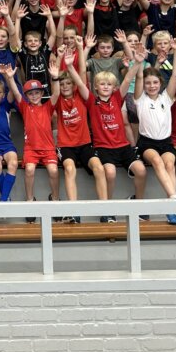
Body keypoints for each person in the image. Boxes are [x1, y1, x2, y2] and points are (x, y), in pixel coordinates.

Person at [84, 47, 147, 223]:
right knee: (109, 172)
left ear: (114, 88)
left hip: (122, 146)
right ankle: (108, 208)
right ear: (96, 87)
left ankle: (138, 204)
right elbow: (81, 84)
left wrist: (138, 62)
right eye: (102, 84)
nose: (105, 87)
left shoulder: (117, 98)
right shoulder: (91, 101)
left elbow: (127, 78)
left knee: (141, 170)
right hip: (103, 148)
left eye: (109, 84)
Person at [0, 57, 61, 224]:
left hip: (48, 148)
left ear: (41, 93)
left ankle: (55, 199)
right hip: (31, 149)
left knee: (54, 171)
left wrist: (55, 77)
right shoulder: (25, 107)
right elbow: (17, 93)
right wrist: (10, 78)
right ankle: (29, 200)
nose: (34, 96)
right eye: (31, 94)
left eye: (37, 93)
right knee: (29, 170)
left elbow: (56, 93)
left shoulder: (48, 107)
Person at [133, 38, 176, 225]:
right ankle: (174, 202)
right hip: (147, 143)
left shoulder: (167, 96)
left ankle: (172, 210)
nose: (151, 86)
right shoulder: (140, 99)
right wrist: (139, 61)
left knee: (169, 164)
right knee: (157, 161)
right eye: (148, 83)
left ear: (160, 83)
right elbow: (139, 77)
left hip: (166, 142)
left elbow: (174, 75)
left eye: (155, 82)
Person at [58, 47, 107, 223]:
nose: (65, 87)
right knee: (70, 169)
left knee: (99, 168)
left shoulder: (82, 97)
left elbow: (81, 81)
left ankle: (105, 209)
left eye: (68, 84)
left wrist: (73, 63)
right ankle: (73, 211)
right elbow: (55, 82)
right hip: (66, 146)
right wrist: (59, 63)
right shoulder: (57, 101)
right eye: (62, 84)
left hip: (85, 144)